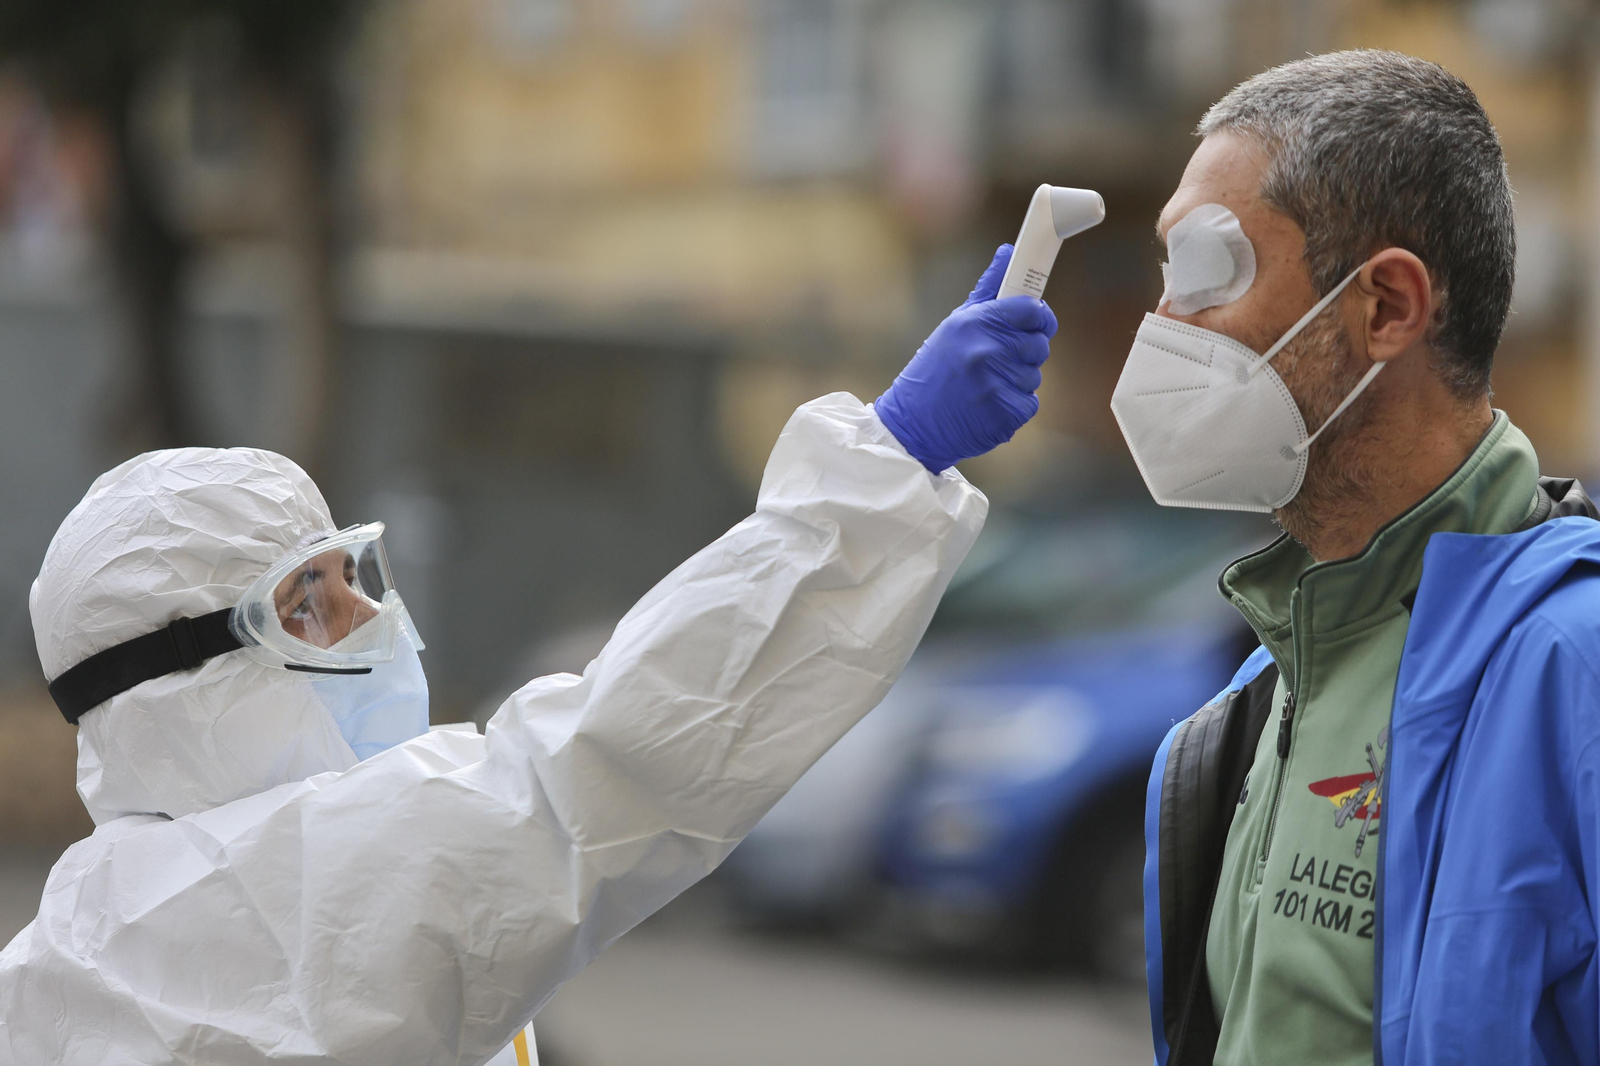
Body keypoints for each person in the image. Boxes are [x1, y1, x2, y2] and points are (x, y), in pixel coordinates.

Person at [0, 247, 1056, 1065]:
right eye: (303, 603)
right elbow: (597, 772)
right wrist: (890, 458)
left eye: (350, 576)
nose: (366, 620)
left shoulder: (94, 931)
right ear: (178, 685)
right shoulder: (230, 903)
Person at [1127, 50, 1600, 1066]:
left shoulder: (1578, 669)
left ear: (1386, 306)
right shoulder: (1258, 691)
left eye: (1207, 273)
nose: (1162, 326)